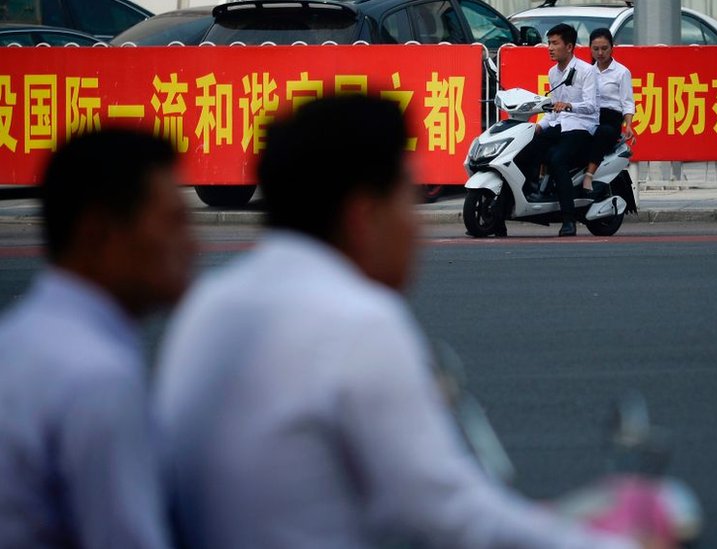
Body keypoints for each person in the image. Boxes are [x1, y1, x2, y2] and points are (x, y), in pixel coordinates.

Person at [154, 95, 645, 549]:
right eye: (404, 199)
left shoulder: (207, 306)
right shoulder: (358, 322)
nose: (413, 226)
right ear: (363, 216)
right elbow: (447, 511)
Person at [0, 129, 194, 548]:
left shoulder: (16, 337)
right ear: (98, 232)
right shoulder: (98, 381)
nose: (192, 246)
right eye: (174, 222)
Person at [516, 23, 599, 237]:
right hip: (559, 125)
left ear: (569, 46)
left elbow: (591, 106)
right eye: (549, 43)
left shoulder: (587, 71)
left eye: (555, 43)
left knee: (557, 159)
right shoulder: (553, 72)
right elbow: (553, 110)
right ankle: (531, 196)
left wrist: (570, 106)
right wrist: (539, 126)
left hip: (581, 126)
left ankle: (568, 219)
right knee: (523, 151)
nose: (550, 48)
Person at [583, 27, 635, 197]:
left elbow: (627, 102)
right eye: (596, 49)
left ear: (612, 47)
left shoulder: (621, 72)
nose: (600, 53)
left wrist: (628, 125)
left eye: (604, 48)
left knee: (603, 133)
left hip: (611, 117)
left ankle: (589, 175)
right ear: (590, 49)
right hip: (590, 114)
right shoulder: (587, 71)